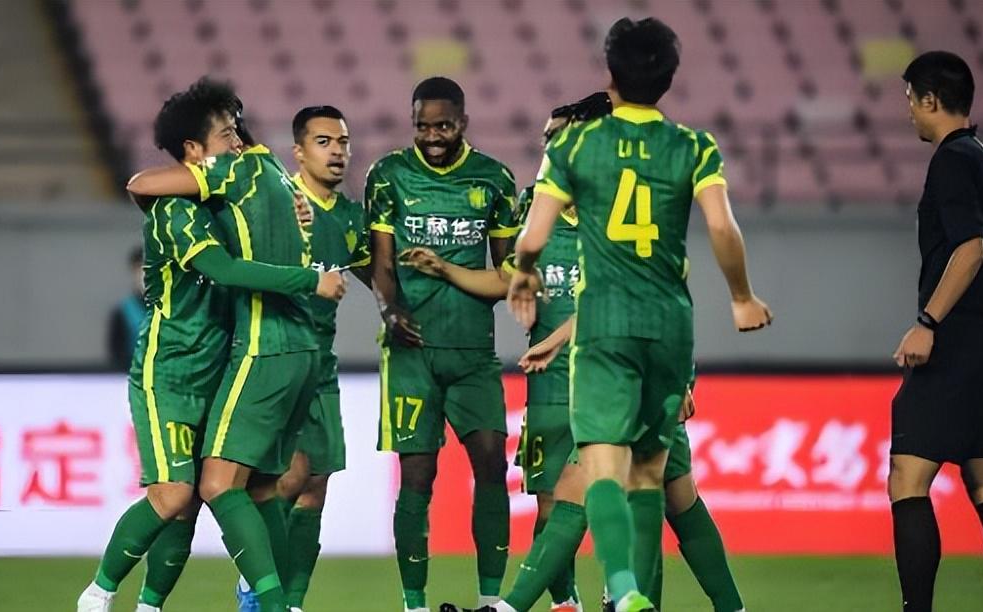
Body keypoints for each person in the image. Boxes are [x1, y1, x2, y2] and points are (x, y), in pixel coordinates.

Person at [418, 95, 744, 612]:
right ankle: (571, 603)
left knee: (660, 497)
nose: (549, 149)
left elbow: (662, 292)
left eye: (559, 139)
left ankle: (534, 606)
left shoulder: (624, 209)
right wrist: (452, 271)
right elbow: (513, 276)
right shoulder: (538, 206)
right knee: (576, 499)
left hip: (624, 375)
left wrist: (682, 376)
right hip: (558, 383)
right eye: (547, 140)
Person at [507, 17, 771, 612]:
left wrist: (523, 272)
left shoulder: (576, 146)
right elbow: (723, 227)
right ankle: (646, 599)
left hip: (606, 322)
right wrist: (741, 296)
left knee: (602, 468)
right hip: (670, 325)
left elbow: (533, 236)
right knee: (651, 475)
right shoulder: (695, 147)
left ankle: (623, 588)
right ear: (669, 77)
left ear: (611, 73)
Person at [78, 79, 344, 612]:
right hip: (170, 372)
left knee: (218, 495)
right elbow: (222, 267)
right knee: (175, 495)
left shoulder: (224, 199)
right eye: (225, 135)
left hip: (222, 365)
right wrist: (307, 279)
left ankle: (159, 604)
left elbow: (262, 218)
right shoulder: (174, 210)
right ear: (194, 150)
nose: (236, 141)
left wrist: (293, 212)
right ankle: (98, 593)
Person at [366, 76, 520, 612]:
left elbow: (508, 275)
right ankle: (414, 604)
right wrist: (391, 310)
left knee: (492, 465)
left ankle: (490, 601)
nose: (432, 136)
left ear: (463, 123)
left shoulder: (494, 180)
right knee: (417, 474)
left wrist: (448, 269)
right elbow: (381, 264)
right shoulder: (388, 175)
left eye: (443, 126)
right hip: (411, 354)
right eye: (423, 126)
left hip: (473, 351)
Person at [888, 50, 983, 612]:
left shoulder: (952, 160)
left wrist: (928, 322)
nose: (907, 111)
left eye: (910, 99)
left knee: (907, 474)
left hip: (955, 338)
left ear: (931, 100)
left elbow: (971, 248)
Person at [270, 105, 372, 611]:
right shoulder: (278, 204)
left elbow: (381, 278)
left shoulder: (351, 217)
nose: (337, 152)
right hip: (274, 358)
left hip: (321, 364)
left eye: (343, 142)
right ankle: (257, 584)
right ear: (299, 151)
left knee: (315, 484)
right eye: (324, 142)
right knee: (289, 477)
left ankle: (290, 603)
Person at [107, 246, 146, 371]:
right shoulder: (123, 312)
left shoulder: (172, 310)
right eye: (140, 269)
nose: (144, 275)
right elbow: (116, 355)